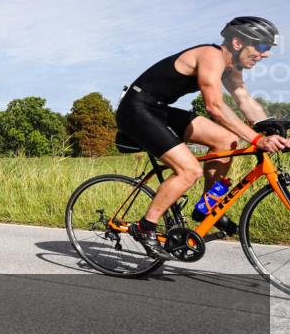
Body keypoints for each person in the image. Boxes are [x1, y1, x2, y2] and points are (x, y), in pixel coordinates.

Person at [116, 17, 289, 258]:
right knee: (189, 171)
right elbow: (215, 106)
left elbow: (244, 100)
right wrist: (257, 139)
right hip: (136, 109)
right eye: (261, 47)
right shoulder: (211, 56)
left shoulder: (232, 69)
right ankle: (145, 227)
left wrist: (271, 130)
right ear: (238, 42)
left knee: (227, 141)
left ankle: (207, 206)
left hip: (160, 110)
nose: (265, 55)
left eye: (268, 50)